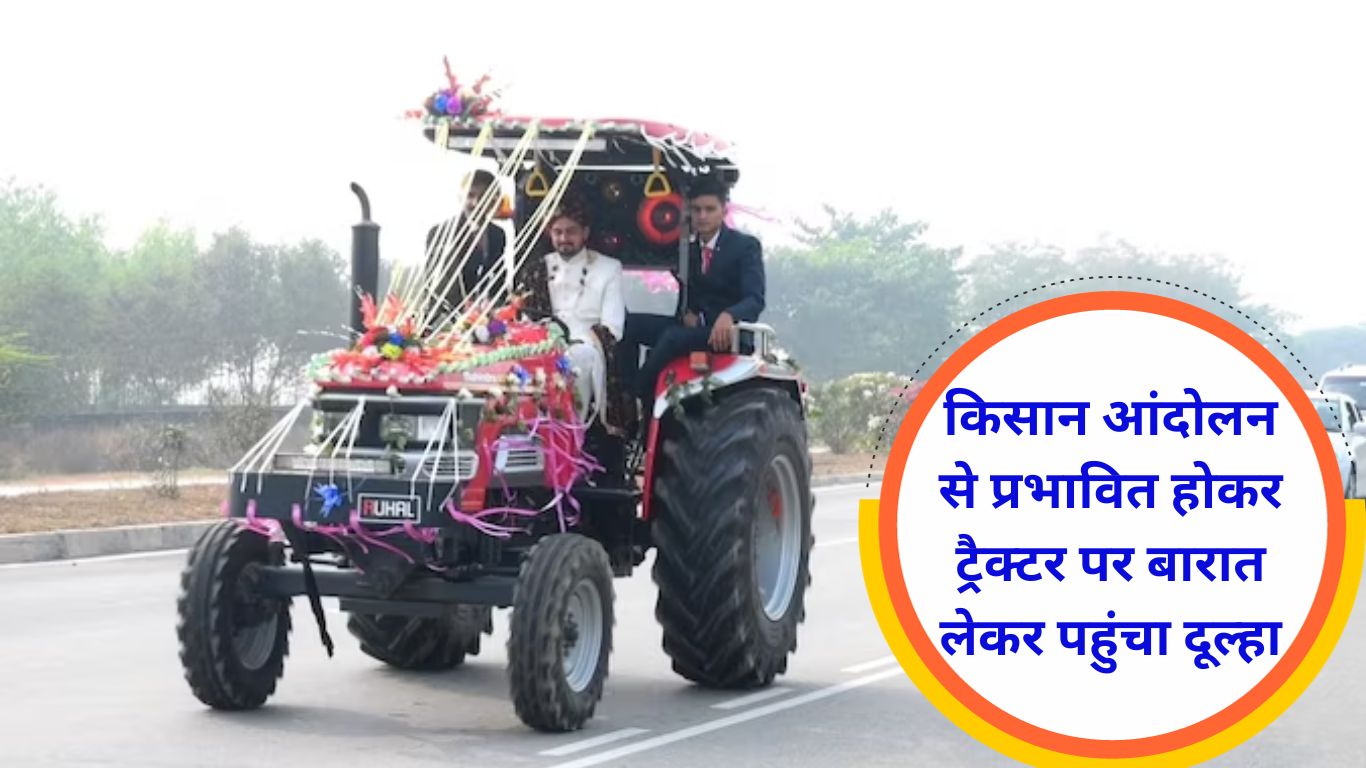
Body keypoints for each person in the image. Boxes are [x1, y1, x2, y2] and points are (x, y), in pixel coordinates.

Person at [619, 175, 765, 404]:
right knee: (627, 324)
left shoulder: (744, 246)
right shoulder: (689, 251)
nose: (703, 216)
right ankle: (621, 390)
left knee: (672, 337)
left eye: (709, 209)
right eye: (697, 210)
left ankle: (637, 393)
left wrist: (730, 315)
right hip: (695, 331)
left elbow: (755, 299)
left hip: (729, 334)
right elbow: (694, 296)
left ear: (723, 210)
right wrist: (689, 311)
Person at [539, 197, 627, 426]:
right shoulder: (538, 269)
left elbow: (613, 327)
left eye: (571, 232)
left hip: (588, 347)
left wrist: (573, 345)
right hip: (541, 346)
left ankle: (571, 434)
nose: (564, 238)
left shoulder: (609, 268)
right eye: (557, 232)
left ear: (585, 233)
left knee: (576, 360)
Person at [424, 169, 508, 312]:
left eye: (483, 197)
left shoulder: (498, 234)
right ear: (460, 197)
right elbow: (435, 284)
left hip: (488, 318)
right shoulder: (439, 233)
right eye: (470, 196)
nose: (476, 203)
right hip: (448, 318)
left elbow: (499, 277)